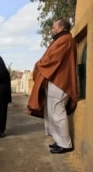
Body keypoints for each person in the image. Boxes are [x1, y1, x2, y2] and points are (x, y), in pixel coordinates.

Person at [27, 19, 77, 154]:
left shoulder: (65, 39)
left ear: (61, 27)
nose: (52, 29)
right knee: (51, 113)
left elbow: (53, 59)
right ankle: (59, 141)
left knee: (57, 113)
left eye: (54, 27)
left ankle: (66, 144)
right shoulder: (61, 39)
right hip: (55, 81)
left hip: (60, 82)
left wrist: (39, 64)